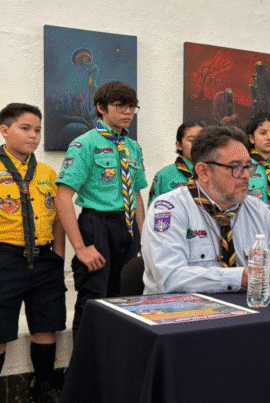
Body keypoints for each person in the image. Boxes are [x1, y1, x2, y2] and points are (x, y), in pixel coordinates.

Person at [142, 125, 270, 294]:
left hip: (249, 312)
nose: (246, 176)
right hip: (182, 314)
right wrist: (241, 277)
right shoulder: (169, 210)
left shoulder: (260, 211)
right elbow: (170, 278)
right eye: (235, 167)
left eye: (248, 167)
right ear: (204, 171)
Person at [55, 81, 146, 338]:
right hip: (97, 225)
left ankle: (117, 365)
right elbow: (63, 197)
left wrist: (144, 239)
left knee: (128, 298)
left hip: (127, 227)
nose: (127, 112)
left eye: (132, 107)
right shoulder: (85, 144)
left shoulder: (132, 147)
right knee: (93, 299)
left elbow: (136, 195)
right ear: (101, 108)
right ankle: (84, 374)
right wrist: (81, 248)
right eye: (120, 106)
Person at [0, 103, 65, 402]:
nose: (34, 136)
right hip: (5, 259)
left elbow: (59, 220)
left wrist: (59, 258)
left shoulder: (48, 173)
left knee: (47, 326)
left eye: (38, 130)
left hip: (44, 259)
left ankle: (44, 385)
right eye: (25, 128)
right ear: (4, 130)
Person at [148, 121, 205, 203]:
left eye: (201, 140)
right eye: (191, 140)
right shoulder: (164, 175)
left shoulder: (213, 173)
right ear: (179, 145)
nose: (197, 144)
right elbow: (154, 210)